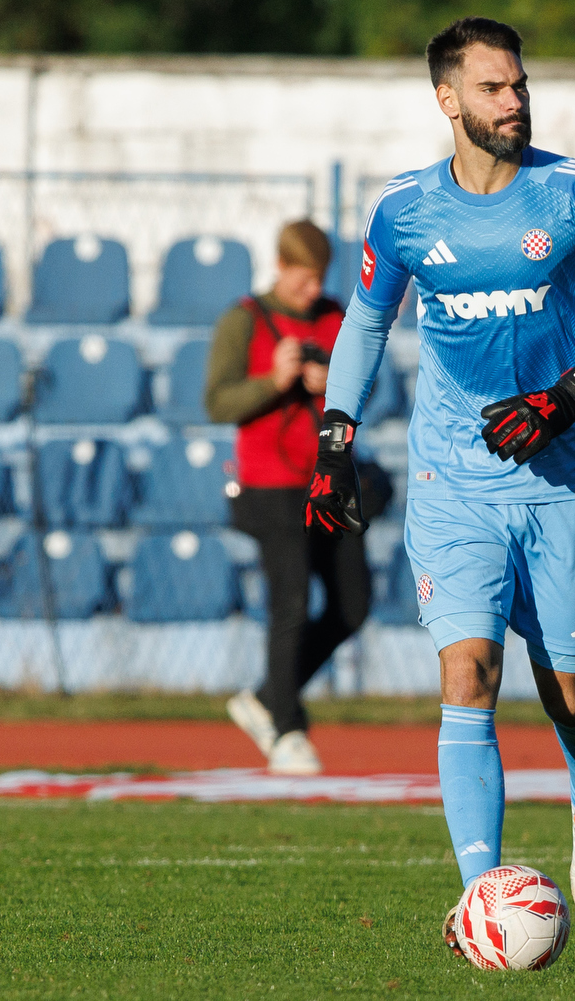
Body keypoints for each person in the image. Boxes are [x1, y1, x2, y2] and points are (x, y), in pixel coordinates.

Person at [302, 17, 575, 944]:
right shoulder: (403, 212)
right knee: (468, 674)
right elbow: (366, 322)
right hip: (452, 481)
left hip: (561, 482)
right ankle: (481, 892)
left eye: (518, 85)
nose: (514, 102)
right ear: (447, 100)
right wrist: (334, 441)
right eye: (492, 88)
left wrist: (565, 397)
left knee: (569, 695)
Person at [207, 219, 371, 777]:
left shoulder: (335, 317)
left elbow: (370, 388)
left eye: (318, 278)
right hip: (269, 483)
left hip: (327, 480)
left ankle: (263, 698)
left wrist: (334, 384)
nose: (310, 290)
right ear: (280, 267)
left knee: (354, 605)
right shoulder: (244, 320)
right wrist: (274, 382)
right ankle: (286, 727)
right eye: (303, 278)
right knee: (292, 604)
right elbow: (218, 402)